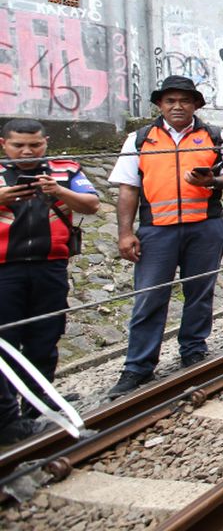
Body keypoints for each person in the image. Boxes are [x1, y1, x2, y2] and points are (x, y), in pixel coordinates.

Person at [107, 75, 223, 397]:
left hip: (204, 226)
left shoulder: (214, 135)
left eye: (184, 100)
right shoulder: (140, 140)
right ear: (160, 105)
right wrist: (125, 233)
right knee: (150, 296)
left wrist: (213, 182)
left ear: (196, 104)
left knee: (199, 291)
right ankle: (138, 366)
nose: (177, 106)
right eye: (170, 101)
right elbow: (128, 189)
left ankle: (193, 349)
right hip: (156, 230)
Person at [0, 119, 99, 443]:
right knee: (5, 343)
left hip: (50, 266)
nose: (27, 152)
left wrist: (58, 191)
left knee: (45, 336)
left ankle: (37, 406)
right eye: (18, 146)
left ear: (46, 142)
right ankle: (7, 419)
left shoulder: (64, 169)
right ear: (4, 144)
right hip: (5, 269)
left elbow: (91, 204)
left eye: (35, 145)